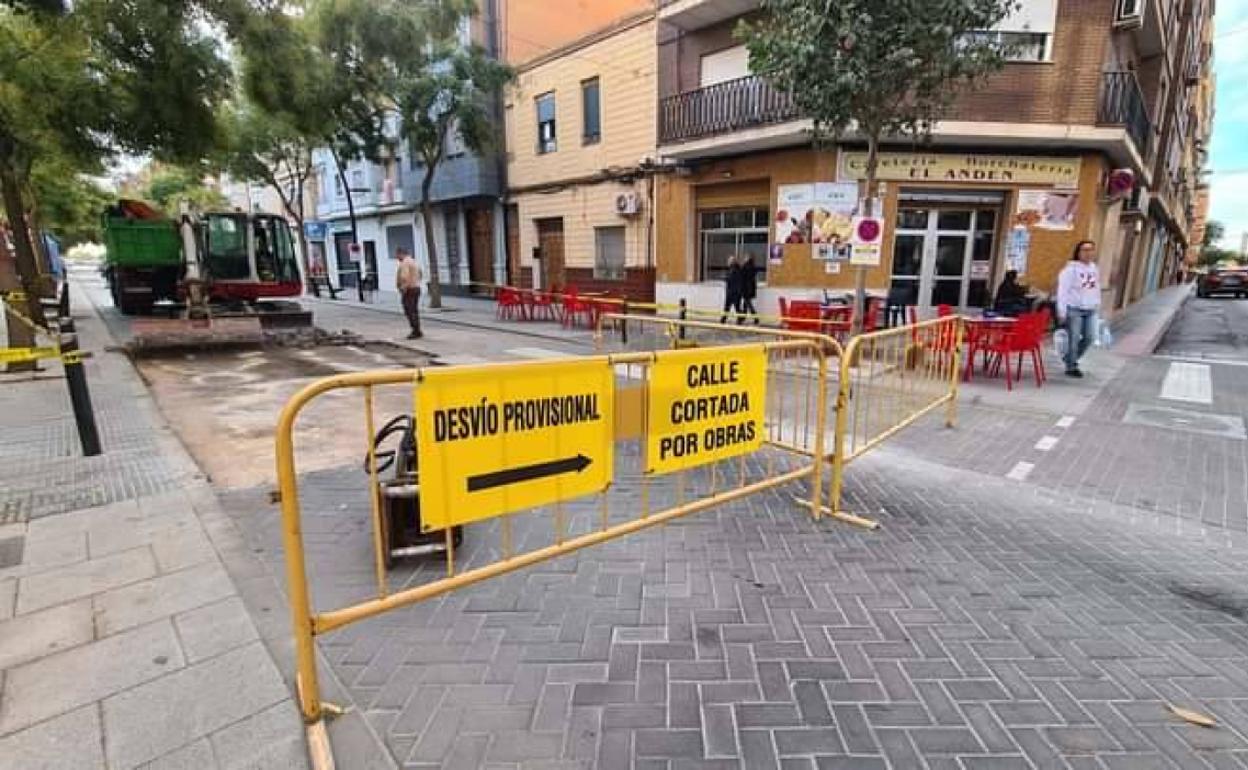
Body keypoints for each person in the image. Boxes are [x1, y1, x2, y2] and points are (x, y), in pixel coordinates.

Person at [1055, 240, 1101, 378]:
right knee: (1073, 338)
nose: (1088, 253)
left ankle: (1069, 358)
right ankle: (1071, 366)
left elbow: (1096, 288)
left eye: (1091, 250)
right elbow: (1062, 291)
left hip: (1091, 309)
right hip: (1074, 308)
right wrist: (1061, 311)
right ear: (1078, 252)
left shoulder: (1094, 269)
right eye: (1084, 250)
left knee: (1090, 337)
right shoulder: (1070, 270)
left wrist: (1098, 303)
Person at [395, 247, 423, 339]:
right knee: (414, 310)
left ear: (401, 253)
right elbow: (420, 274)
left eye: (397, 255)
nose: (397, 257)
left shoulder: (405, 263)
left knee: (409, 310)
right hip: (416, 288)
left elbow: (404, 277)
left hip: (409, 289)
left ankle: (415, 331)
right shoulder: (413, 261)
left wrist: (403, 289)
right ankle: (417, 329)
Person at [736, 253, 759, 324]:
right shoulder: (752, 266)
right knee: (745, 304)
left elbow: (743, 278)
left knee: (748, 304)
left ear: (748, 258)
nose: (744, 259)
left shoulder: (746, 266)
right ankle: (742, 318)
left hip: (746, 289)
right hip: (749, 289)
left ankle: (755, 318)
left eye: (745, 257)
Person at [719, 254, 742, 324]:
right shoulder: (736, 269)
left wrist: (724, 278)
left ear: (732, 262)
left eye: (729, 261)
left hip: (732, 292)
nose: (727, 262)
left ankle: (723, 320)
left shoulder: (733, 269)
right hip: (735, 291)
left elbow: (731, 279)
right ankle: (724, 319)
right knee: (734, 307)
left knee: (729, 306)